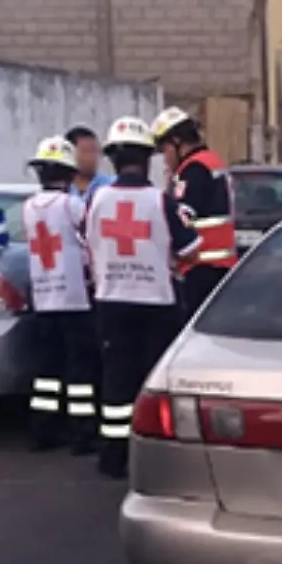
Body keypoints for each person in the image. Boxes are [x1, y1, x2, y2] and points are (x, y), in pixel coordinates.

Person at [85, 117, 199, 480]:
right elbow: (191, 249)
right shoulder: (160, 201)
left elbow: (87, 245)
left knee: (115, 380)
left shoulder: (97, 200)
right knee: (153, 382)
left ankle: (112, 458)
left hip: (110, 302)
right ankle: (154, 457)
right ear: (147, 158)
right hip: (156, 303)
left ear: (112, 160)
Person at [21, 136, 100, 454]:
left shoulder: (28, 207)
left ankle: (43, 430)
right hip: (75, 297)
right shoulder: (73, 205)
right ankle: (82, 434)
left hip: (43, 297)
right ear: (68, 175)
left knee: (47, 371)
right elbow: (90, 244)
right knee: (80, 368)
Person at [151, 107, 236, 318]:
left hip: (200, 268)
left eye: (165, 150)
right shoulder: (212, 161)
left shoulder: (192, 170)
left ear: (178, 142)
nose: (164, 158)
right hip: (222, 267)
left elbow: (180, 218)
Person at [66, 126, 114, 209]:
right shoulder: (61, 189)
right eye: (86, 151)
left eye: (95, 151)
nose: (93, 157)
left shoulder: (111, 186)